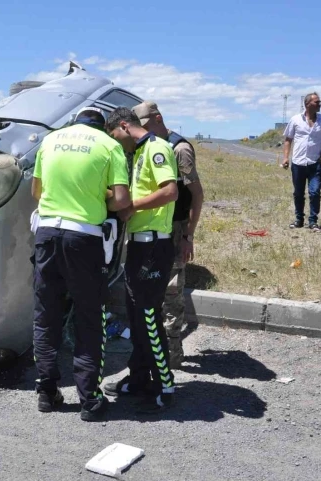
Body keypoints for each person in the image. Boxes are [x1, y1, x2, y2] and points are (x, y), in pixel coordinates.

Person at [31, 106, 130, 421]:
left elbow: (37, 191)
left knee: (46, 316)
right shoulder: (109, 145)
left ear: (75, 122)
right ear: (101, 126)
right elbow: (122, 200)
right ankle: (90, 400)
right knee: (89, 318)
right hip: (83, 239)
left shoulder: (50, 140)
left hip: (46, 233)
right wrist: (98, 197)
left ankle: (47, 393)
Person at [102, 107, 179, 413]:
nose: (116, 144)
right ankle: (138, 378)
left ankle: (165, 384)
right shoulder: (138, 153)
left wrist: (131, 206)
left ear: (123, 126)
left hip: (153, 248)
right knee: (135, 317)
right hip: (138, 247)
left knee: (148, 317)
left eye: (115, 137)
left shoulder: (157, 149)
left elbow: (170, 191)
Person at [132, 100, 204, 368]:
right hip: (152, 228)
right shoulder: (149, 147)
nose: (143, 131)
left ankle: (172, 357)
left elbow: (197, 195)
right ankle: (153, 353)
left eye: (147, 126)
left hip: (174, 229)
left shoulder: (179, 149)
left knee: (171, 294)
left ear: (158, 119)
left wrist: (188, 236)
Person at [282, 92, 321, 232]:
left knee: (315, 192)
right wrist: (286, 158)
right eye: (317, 102)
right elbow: (288, 140)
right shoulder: (295, 120)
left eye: (320, 102)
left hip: (315, 163)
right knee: (298, 192)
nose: (320, 104)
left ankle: (313, 221)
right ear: (307, 104)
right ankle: (299, 219)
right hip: (298, 163)